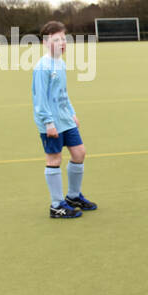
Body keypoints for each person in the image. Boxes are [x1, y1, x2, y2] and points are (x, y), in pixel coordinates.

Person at [33, 20, 96, 219]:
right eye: (56, 39)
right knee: (54, 159)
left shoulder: (61, 63)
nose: (62, 43)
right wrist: (48, 123)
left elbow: (63, 93)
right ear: (45, 42)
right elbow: (40, 99)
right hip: (51, 123)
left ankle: (73, 197)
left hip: (65, 119)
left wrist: (72, 112)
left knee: (79, 153)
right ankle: (56, 206)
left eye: (63, 39)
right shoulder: (42, 67)